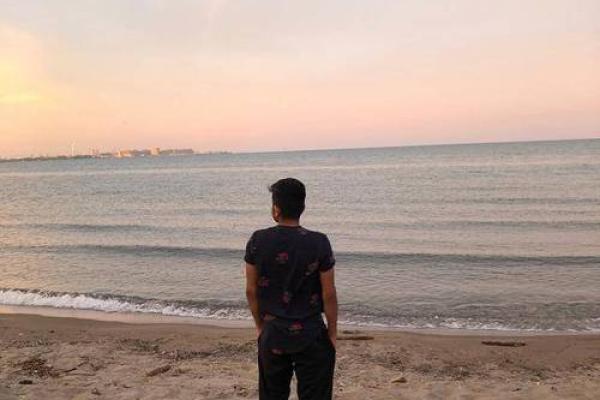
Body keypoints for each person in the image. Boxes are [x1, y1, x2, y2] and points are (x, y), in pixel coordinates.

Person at [245, 178, 338, 400]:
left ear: (276, 209)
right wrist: (332, 333)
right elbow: (329, 294)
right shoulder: (319, 242)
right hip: (311, 333)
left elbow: (251, 290)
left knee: (272, 395)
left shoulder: (258, 240)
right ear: (302, 207)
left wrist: (260, 326)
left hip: (273, 331)